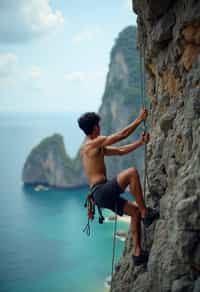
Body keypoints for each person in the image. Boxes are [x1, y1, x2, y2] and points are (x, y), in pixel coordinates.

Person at [78, 109, 159, 266]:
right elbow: (121, 135)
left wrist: (140, 143)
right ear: (95, 127)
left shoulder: (94, 147)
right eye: (98, 125)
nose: (100, 127)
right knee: (132, 173)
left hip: (100, 195)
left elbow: (120, 151)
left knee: (133, 213)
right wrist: (139, 119)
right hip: (100, 191)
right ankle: (145, 213)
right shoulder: (91, 145)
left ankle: (137, 253)